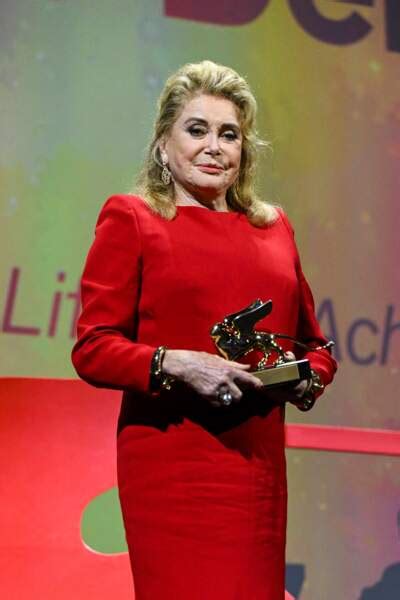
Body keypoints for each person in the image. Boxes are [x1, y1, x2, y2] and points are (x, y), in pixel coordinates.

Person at [72, 60, 337, 600]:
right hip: (173, 467)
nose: (214, 146)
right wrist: (176, 363)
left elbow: (316, 346)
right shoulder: (134, 218)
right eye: (197, 130)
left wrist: (307, 377)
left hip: (256, 468)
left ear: (245, 151)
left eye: (229, 134)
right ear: (164, 145)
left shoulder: (273, 228)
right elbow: (93, 347)